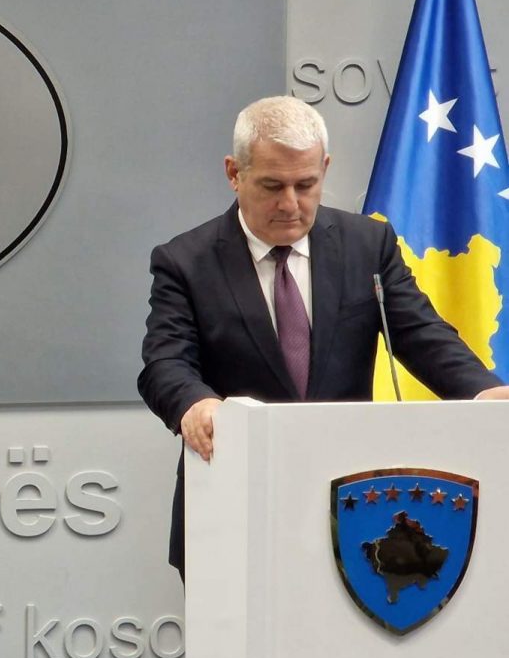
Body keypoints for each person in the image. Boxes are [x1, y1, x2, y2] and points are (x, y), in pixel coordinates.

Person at [138, 95, 509, 579]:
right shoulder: (185, 261)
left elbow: (421, 334)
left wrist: (483, 391)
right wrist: (194, 403)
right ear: (234, 173)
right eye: (272, 186)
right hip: (234, 499)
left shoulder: (367, 245)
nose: (291, 204)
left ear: (325, 169)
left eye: (306, 184)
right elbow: (165, 362)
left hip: (354, 503)